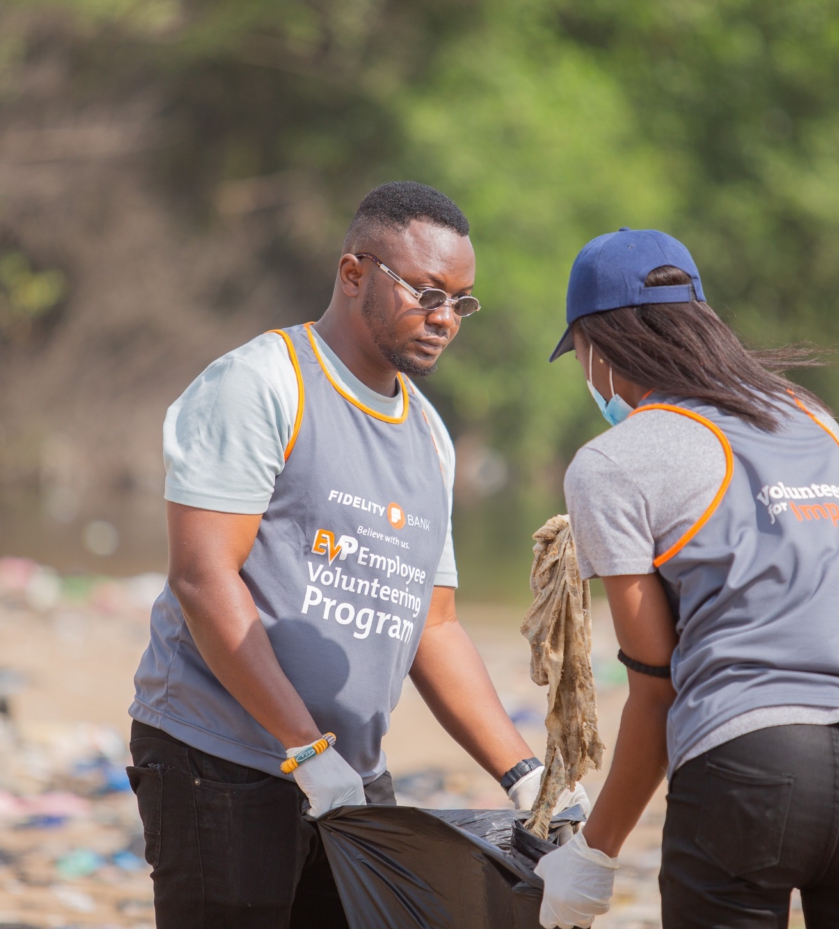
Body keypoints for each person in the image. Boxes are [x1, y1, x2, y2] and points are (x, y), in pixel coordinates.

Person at [127, 181, 583, 927]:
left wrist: (528, 775)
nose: (444, 319)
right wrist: (304, 750)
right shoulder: (263, 383)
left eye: (461, 302)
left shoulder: (428, 436)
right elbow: (203, 577)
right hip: (221, 762)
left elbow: (433, 626)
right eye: (427, 293)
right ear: (353, 274)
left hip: (350, 775)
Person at [534, 228, 839, 929]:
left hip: (749, 768)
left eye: (579, 354)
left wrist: (594, 855)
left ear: (599, 344)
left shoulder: (613, 462)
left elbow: (655, 690)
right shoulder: (813, 418)